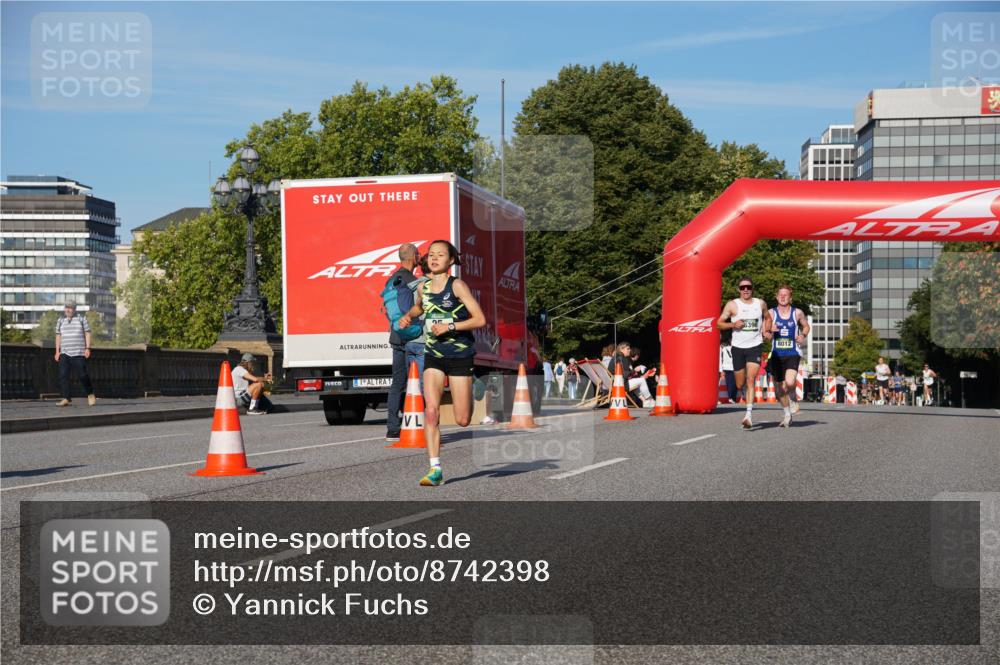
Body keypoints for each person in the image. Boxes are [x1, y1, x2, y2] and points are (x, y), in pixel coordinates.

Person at [397, 240, 486, 486]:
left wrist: (450, 326)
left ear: (451, 261)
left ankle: (475, 384)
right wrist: (408, 316)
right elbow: (418, 308)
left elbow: (479, 319)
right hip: (434, 355)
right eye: (431, 254)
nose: (434, 258)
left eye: (440, 255)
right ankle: (435, 468)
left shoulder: (457, 285)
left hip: (459, 355)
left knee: (462, 419)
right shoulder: (423, 287)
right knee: (431, 411)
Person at [384, 243, 428, 442]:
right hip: (414, 336)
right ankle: (418, 422)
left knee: (397, 383)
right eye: (418, 253)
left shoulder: (392, 280)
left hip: (397, 337)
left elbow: (388, 311)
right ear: (413, 257)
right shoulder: (413, 281)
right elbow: (419, 309)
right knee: (418, 383)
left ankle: (392, 428)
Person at [717, 277, 771, 429]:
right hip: (738, 348)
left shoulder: (760, 303)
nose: (745, 290)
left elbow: (768, 318)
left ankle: (748, 415)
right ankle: (743, 395)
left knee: (750, 379)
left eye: (748, 287)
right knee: (740, 383)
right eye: (742, 288)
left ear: (752, 288)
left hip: (755, 346)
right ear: (738, 290)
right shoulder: (733, 305)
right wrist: (733, 324)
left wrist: (766, 331)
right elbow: (718, 323)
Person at [766, 285, 810, 427]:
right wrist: (769, 331)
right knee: (779, 388)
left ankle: (793, 396)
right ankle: (787, 414)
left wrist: (802, 335)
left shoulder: (797, 313)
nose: (783, 297)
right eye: (780, 295)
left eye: (786, 295)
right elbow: (765, 335)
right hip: (777, 355)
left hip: (792, 353)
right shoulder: (771, 314)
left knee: (789, 382)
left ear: (790, 297)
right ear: (776, 296)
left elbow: (806, 326)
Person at [54, 301, 96, 407]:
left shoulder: (81, 319)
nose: (68, 310)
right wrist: (57, 351)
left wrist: (88, 348)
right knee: (63, 376)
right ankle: (66, 398)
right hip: (64, 352)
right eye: (66, 307)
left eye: (70, 308)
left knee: (82, 375)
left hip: (78, 352)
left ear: (74, 309)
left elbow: (87, 333)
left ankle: (90, 394)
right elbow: (58, 335)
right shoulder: (60, 320)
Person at [608, 341, 654, 408]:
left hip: (614, 383)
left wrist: (634, 373)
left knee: (638, 382)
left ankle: (645, 401)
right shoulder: (622, 359)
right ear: (621, 349)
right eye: (628, 349)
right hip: (621, 385)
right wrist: (635, 370)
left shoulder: (616, 358)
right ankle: (649, 400)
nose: (629, 351)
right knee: (641, 380)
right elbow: (625, 375)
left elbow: (624, 374)